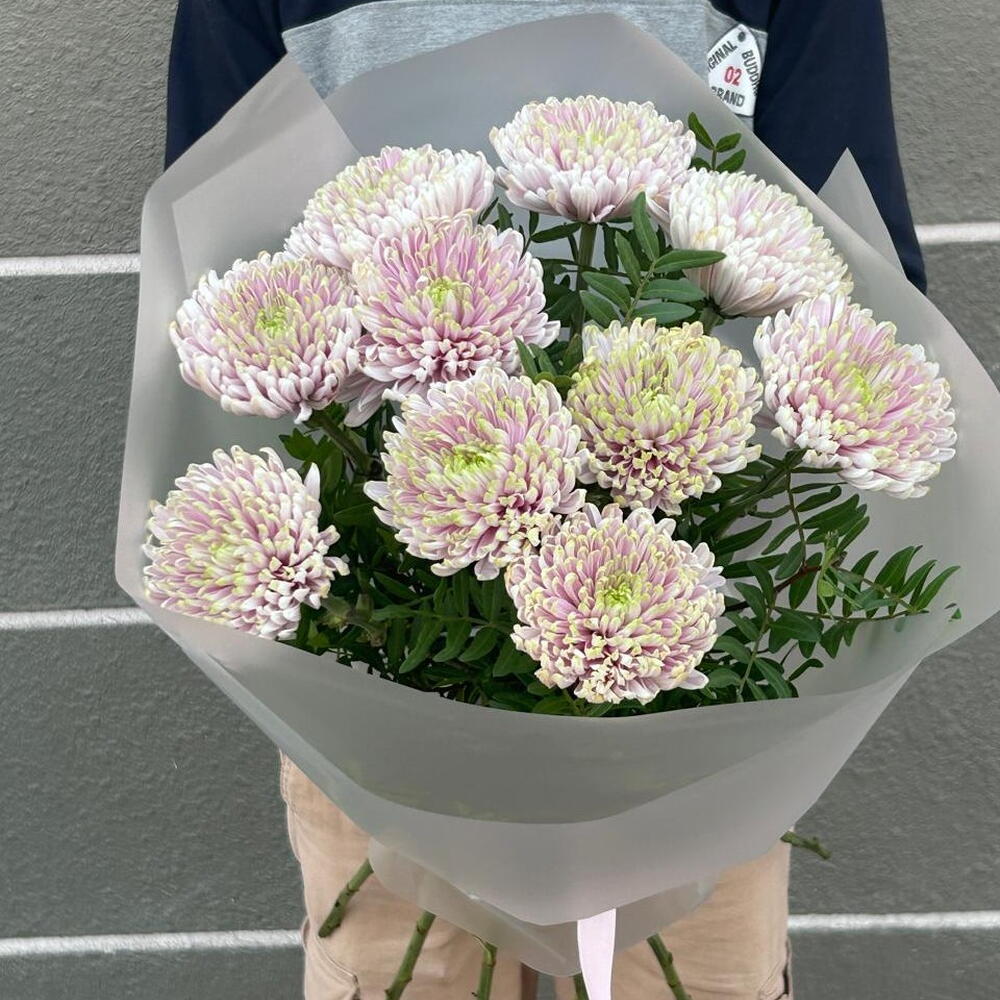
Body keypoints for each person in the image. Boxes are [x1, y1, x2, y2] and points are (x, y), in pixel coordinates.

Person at [165, 3, 925, 997]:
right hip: (372, 682)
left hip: (702, 682)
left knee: (691, 973)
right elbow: (214, 279)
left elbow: (864, 288)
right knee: (406, 973)